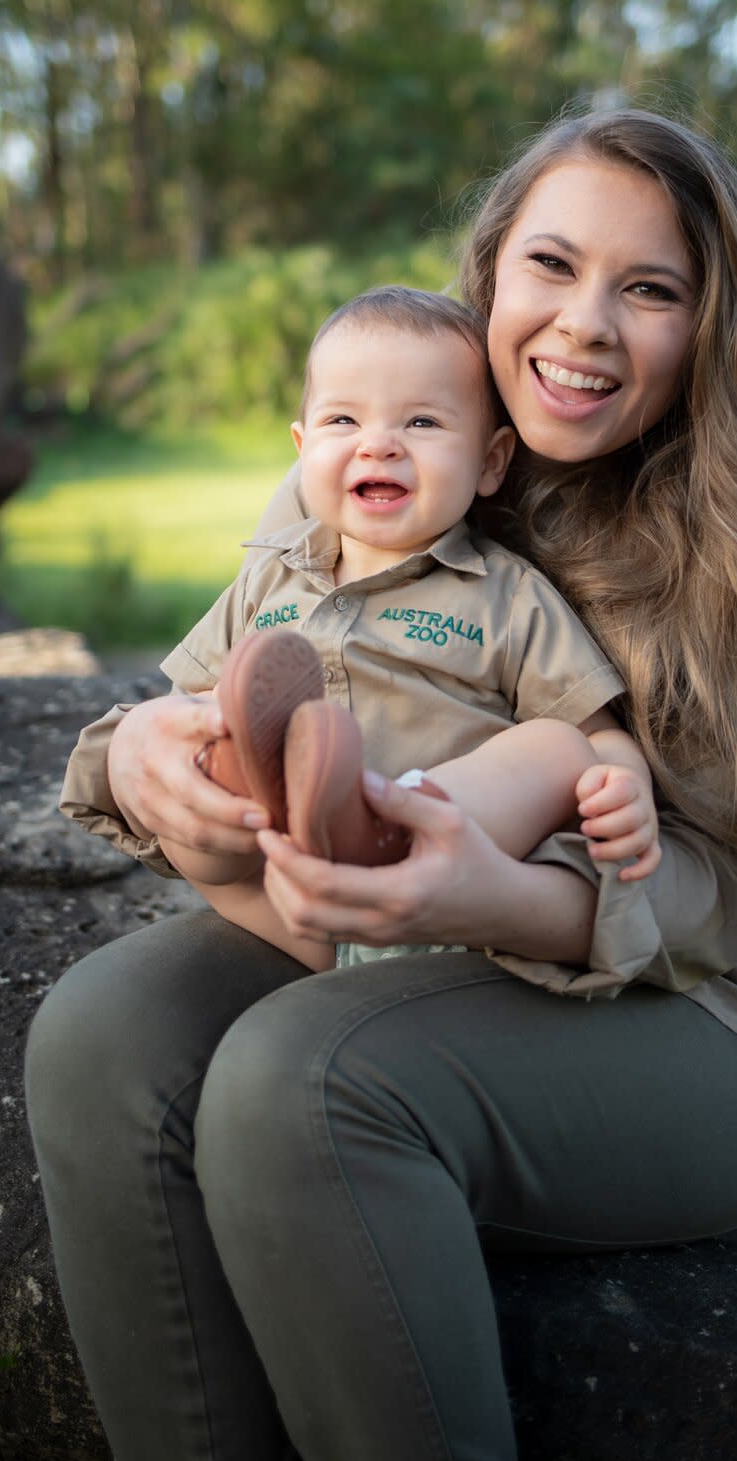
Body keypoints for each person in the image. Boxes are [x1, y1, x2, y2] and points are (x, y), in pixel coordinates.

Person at [26, 107, 737, 1461]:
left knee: (302, 1083)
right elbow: (223, 659)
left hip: (698, 1007)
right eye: (550, 266)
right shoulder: (386, 430)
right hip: (383, 903)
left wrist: (497, 895)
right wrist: (131, 761)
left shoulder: (731, 527)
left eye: (650, 289)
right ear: (488, 278)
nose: (585, 325)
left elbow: (731, 899)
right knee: (97, 1032)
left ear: (709, 327)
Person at [160, 286, 660, 974]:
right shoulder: (267, 579)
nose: (379, 446)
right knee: (196, 758)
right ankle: (326, 898)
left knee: (561, 746)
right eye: (343, 420)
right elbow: (181, 705)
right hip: (288, 904)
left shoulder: (503, 593)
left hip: (449, 884)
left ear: (490, 463)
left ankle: (385, 826)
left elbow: (599, 730)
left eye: (422, 423)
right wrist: (182, 754)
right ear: (303, 448)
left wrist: (624, 788)